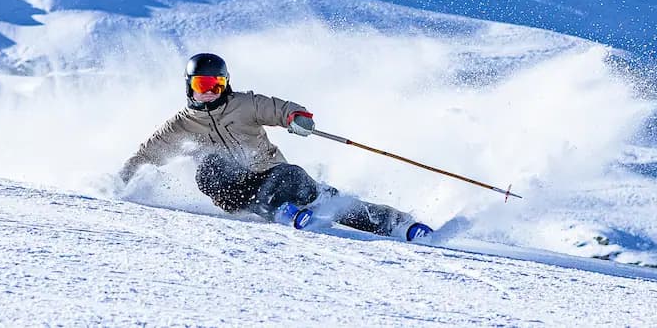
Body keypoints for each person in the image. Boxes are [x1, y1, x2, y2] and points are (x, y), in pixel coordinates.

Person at [119, 52, 434, 241]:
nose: (211, 92)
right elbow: (148, 153)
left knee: (327, 202)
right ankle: (282, 212)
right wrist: (121, 181)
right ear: (189, 87)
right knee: (207, 170)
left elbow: (280, 109)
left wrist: (298, 118)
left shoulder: (245, 104)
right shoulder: (180, 124)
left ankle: (399, 224)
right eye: (203, 85)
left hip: (277, 175)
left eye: (218, 85)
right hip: (238, 191)